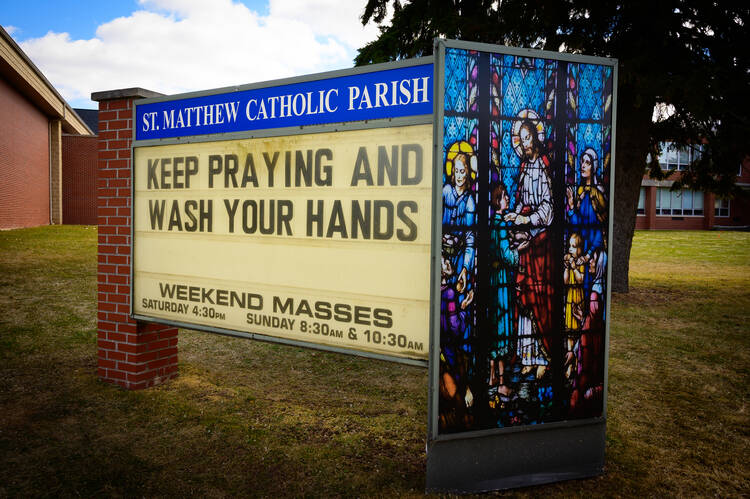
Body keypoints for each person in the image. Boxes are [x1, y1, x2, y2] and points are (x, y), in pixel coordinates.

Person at [504, 118, 554, 379]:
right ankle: (527, 356)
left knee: (540, 297)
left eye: (527, 138)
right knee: (524, 297)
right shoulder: (523, 167)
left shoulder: (544, 167)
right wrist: (516, 216)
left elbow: (548, 210)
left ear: (535, 138)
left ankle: (543, 355)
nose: (524, 144)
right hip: (527, 242)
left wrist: (526, 220)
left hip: (542, 244)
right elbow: (522, 200)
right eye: (520, 140)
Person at [487, 182, 527, 394]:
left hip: (492, 279)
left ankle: (492, 377)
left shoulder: (492, 222)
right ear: (497, 199)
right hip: (501, 280)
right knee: (502, 328)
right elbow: (506, 255)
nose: (508, 199)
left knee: (493, 326)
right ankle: (502, 384)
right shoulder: (501, 223)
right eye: (505, 196)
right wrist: (518, 251)